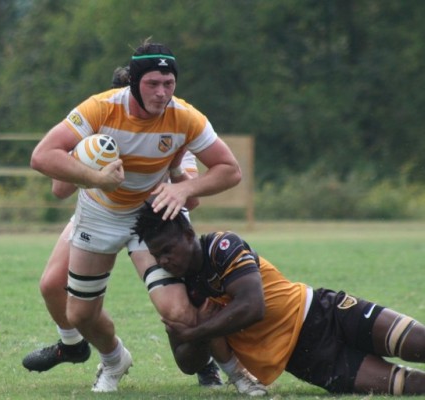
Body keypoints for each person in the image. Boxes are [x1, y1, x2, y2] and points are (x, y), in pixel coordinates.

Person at [23, 65, 265, 395]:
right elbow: (59, 190)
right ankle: (79, 348)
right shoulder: (99, 120)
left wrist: (177, 174)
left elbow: (194, 198)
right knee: (57, 288)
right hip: (100, 211)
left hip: (152, 220)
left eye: (166, 86)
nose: (158, 96)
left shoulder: (175, 128)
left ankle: (217, 364)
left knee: (178, 309)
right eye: (148, 88)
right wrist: (87, 163)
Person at [132, 202, 425, 395]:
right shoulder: (180, 291)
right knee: (406, 386)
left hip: (324, 313)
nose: (164, 260)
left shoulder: (222, 247)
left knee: (417, 342)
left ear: (187, 233)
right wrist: (187, 332)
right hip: (307, 359)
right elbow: (186, 363)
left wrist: (197, 330)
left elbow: (252, 307)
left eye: (168, 249)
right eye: (157, 256)